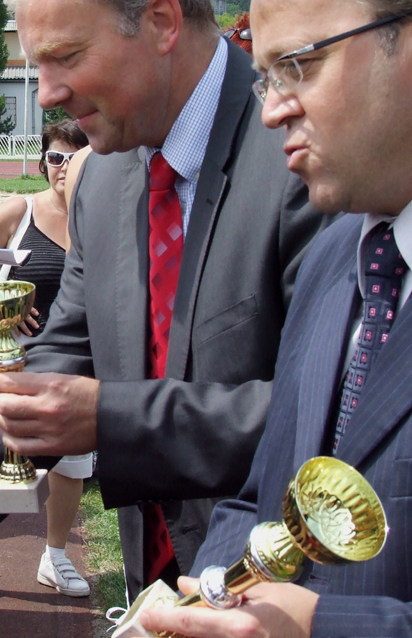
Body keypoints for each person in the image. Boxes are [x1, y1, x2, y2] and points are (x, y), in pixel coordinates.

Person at [0, 0, 334, 604]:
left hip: (284, 590)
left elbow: (329, 413)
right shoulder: (102, 175)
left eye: (65, 57)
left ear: (163, 22)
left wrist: (110, 419)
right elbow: (63, 356)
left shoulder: (306, 153)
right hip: (156, 589)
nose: (44, 94)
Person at [136, 0, 412, 635]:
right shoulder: (338, 255)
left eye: (302, 66)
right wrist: (210, 602)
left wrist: (323, 627)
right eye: (267, 75)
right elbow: (261, 496)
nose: (272, 110)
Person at [0, 120, 92, 605]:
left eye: (75, 157)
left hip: (75, 365)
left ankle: (55, 556)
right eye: (55, 157)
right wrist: (0, 300)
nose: (63, 168)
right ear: (42, 162)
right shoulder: (20, 210)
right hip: (10, 363)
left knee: (72, 467)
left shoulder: (103, 215)